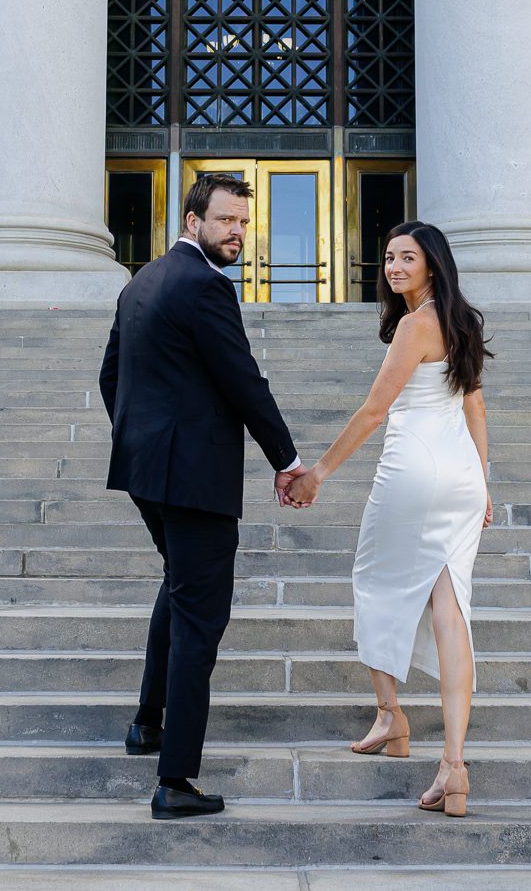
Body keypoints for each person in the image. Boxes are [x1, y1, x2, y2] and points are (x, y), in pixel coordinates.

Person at [99, 172, 307, 820]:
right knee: (200, 618)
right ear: (193, 221)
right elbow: (243, 380)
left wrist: (142, 440)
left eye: (243, 222)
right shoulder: (204, 285)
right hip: (193, 479)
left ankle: (148, 722)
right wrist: (288, 461)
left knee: (180, 587)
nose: (237, 232)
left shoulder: (141, 281)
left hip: (147, 472)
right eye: (225, 220)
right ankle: (175, 780)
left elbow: (111, 376)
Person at [283, 221, 492, 817]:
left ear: (432, 265)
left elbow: (375, 411)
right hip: (460, 477)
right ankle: (453, 765)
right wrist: (484, 482)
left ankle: (390, 715)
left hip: (413, 474)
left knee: (374, 583)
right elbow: (475, 406)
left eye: (408, 258)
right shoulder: (461, 322)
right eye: (390, 257)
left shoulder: (415, 325)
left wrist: (318, 474)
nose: (395, 267)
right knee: (452, 610)